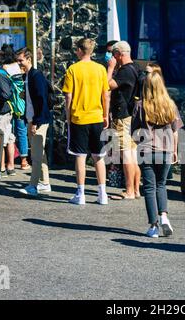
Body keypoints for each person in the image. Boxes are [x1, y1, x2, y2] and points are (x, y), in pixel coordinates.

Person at [132, 65, 183, 237]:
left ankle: (153, 226)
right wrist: (174, 150)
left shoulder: (140, 105)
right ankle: (164, 216)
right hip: (166, 150)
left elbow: (134, 132)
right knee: (162, 185)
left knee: (149, 188)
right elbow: (175, 130)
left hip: (146, 150)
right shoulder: (170, 105)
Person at [63, 38, 110, 205]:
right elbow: (106, 94)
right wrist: (106, 115)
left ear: (80, 51)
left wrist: (68, 116)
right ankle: (102, 193)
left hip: (79, 117)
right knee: (99, 156)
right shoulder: (100, 69)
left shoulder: (73, 69)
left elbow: (68, 96)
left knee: (80, 156)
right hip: (97, 116)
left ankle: (80, 193)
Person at [107, 41, 141, 200]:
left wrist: (110, 68)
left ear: (119, 54)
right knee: (132, 154)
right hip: (131, 116)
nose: (112, 57)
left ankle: (129, 190)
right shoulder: (135, 68)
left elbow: (107, 85)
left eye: (113, 54)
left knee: (126, 153)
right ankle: (135, 190)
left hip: (123, 116)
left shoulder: (125, 71)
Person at [16, 47, 52, 196]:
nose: (19, 63)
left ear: (29, 59)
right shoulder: (28, 75)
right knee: (40, 153)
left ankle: (33, 186)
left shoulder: (35, 75)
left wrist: (35, 122)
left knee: (36, 156)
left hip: (39, 120)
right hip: (33, 118)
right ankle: (45, 183)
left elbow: (42, 99)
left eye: (21, 60)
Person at [0, 45, 18, 176]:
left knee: (1, 139)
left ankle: (1, 167)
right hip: (9, 109)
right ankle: (11, 167)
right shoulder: (4, 72)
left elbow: (5, 94)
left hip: (3, 110)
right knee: (9, 138)